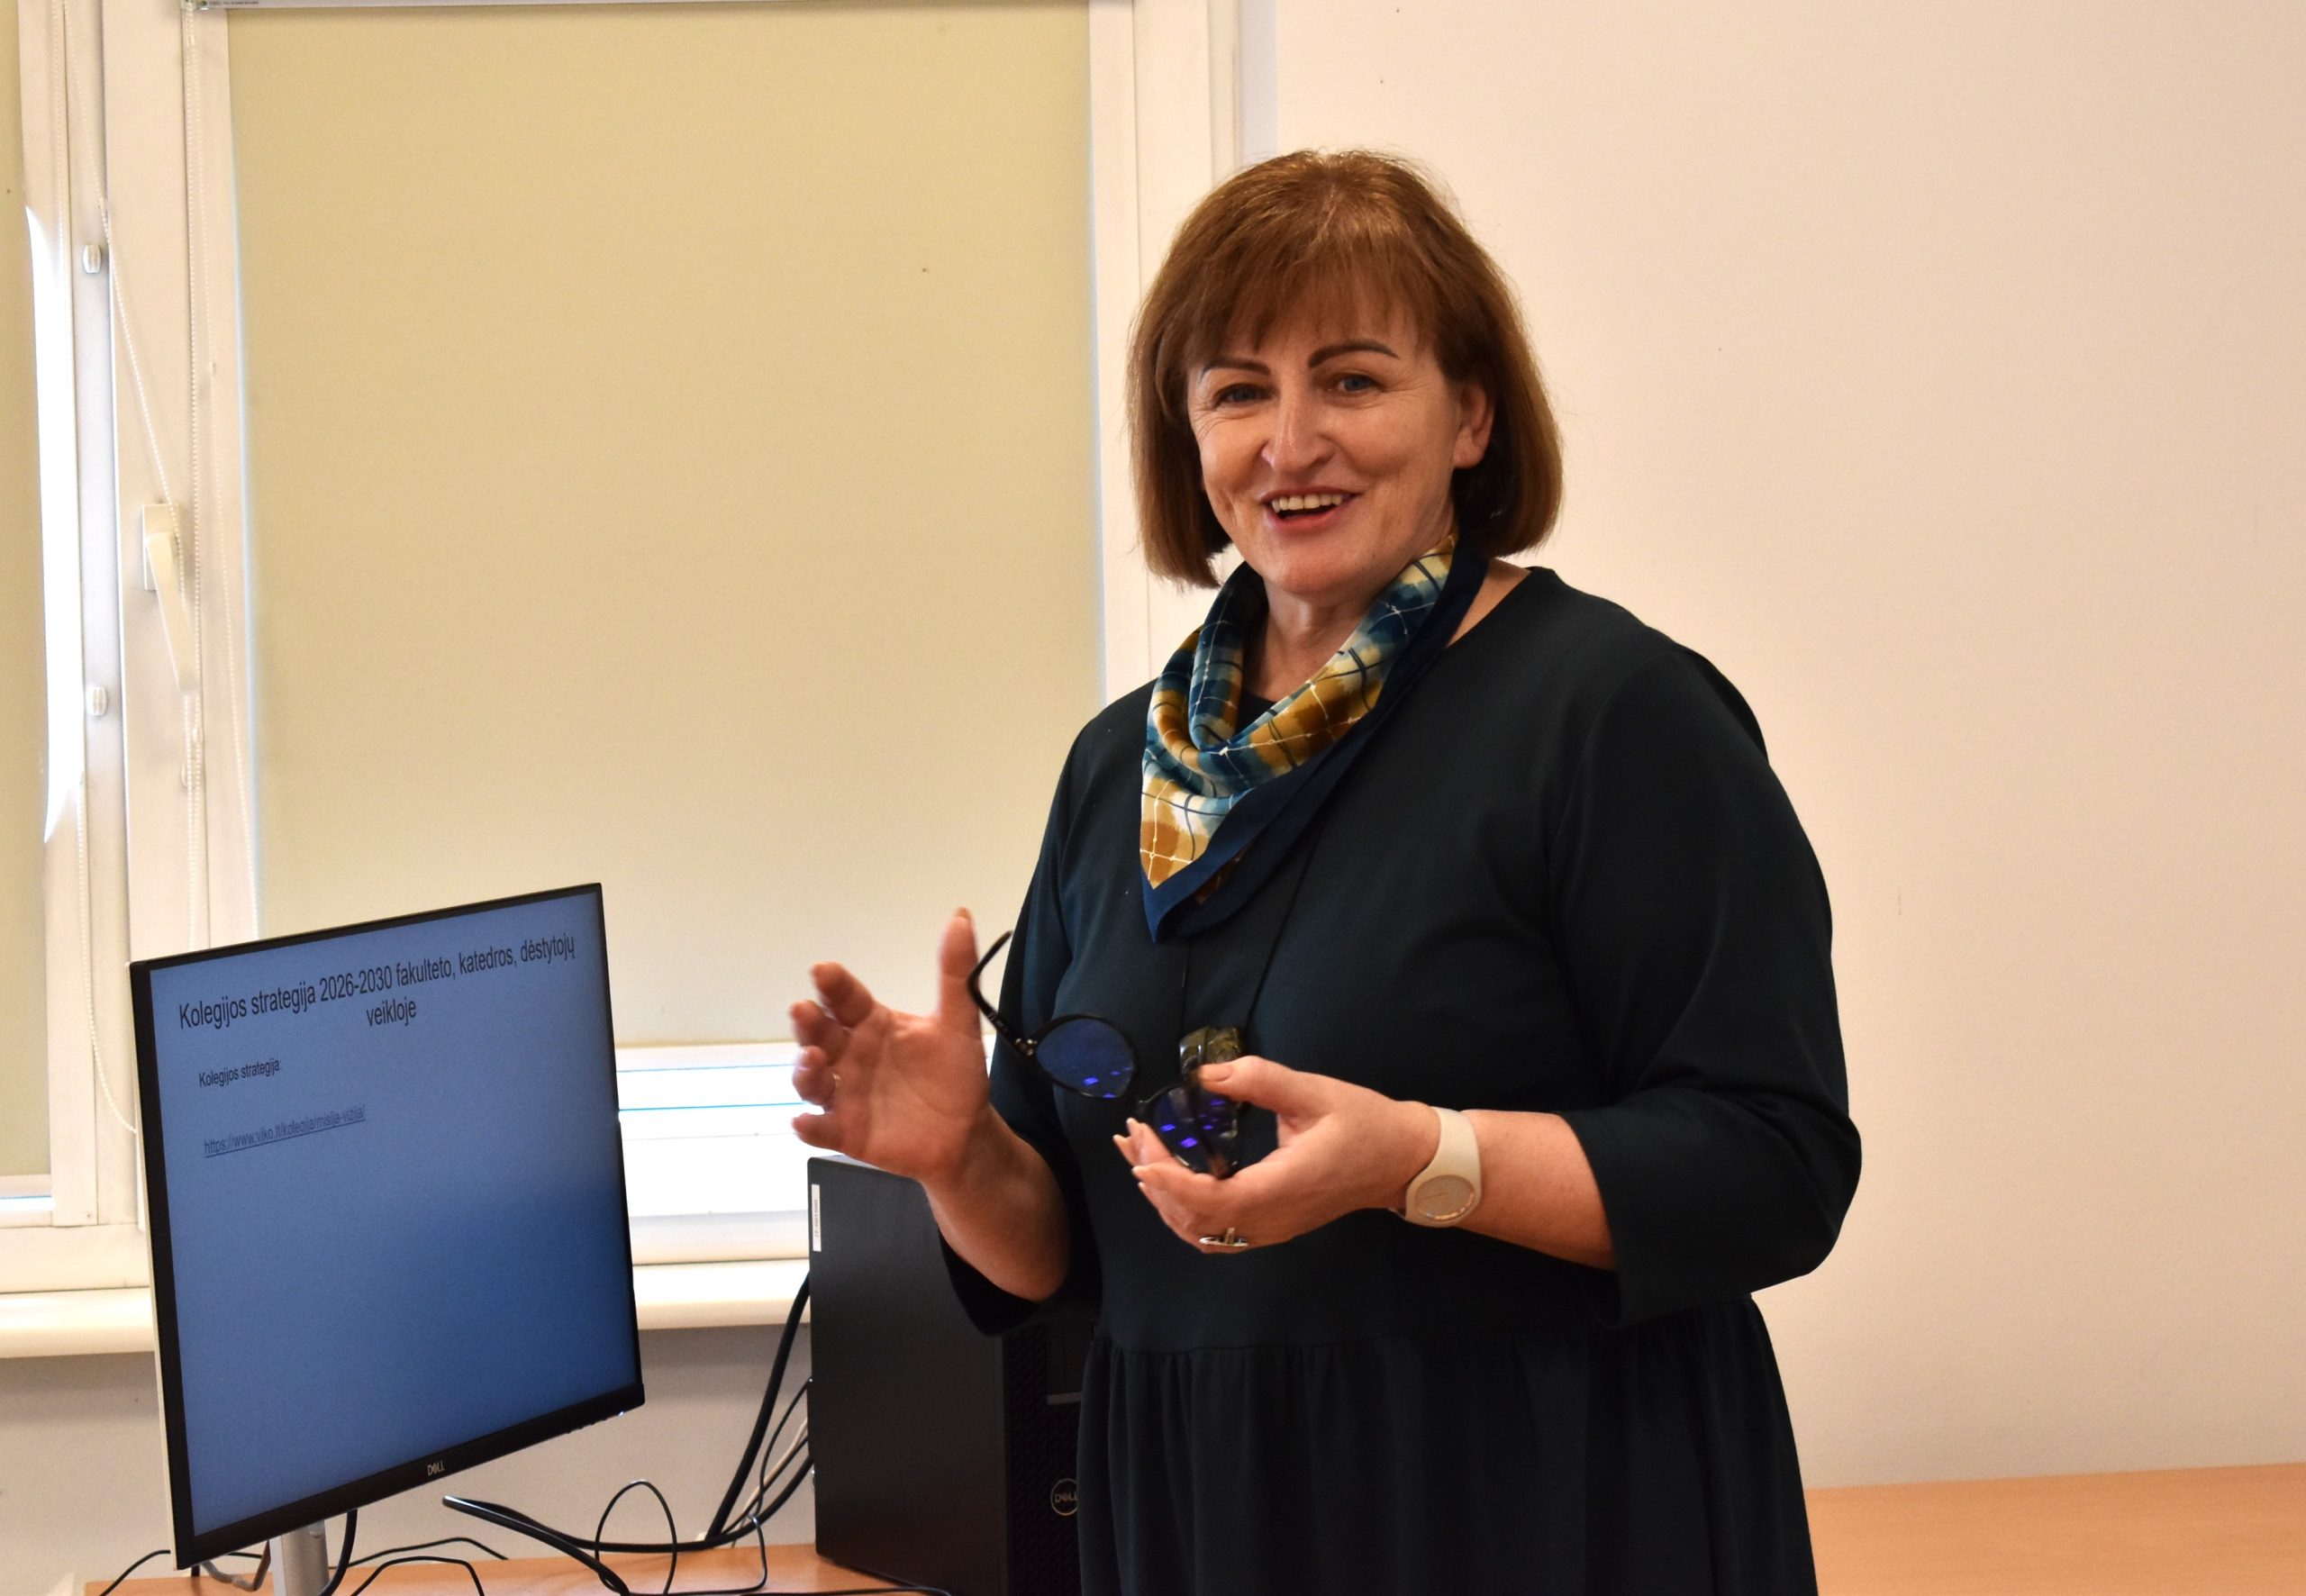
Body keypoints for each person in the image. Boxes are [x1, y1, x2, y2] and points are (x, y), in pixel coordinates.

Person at [790, 150, 1860, 1595]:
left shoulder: (1615, 717)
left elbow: (1775, 1168)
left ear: (1470, 415)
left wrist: (1421, 1162)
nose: (1291, 443)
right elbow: (1072, 1257)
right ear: (1189, 438)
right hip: (1198, 1516)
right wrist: (960, 1157)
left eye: (1351, 380)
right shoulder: (1122, 770)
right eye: (1239, 392)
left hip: (1542, 1506)